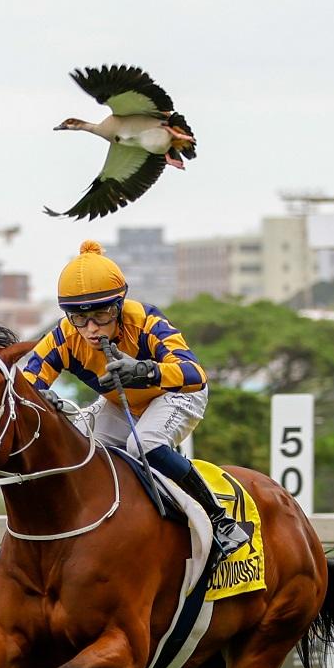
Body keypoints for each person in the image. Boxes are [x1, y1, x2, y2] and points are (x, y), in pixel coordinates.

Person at [23, 240, 248, 561]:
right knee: (82, 449)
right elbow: (28, 382)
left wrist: (146, 371)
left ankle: (219, 519)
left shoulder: (145, 321)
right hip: (122, 404)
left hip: (176, 394)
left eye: (101, 315)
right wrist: (44, 400)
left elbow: (195, 373)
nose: (91, 329)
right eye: (79, 318)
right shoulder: (64, 336)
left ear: (118, 306)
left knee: (144, 443)